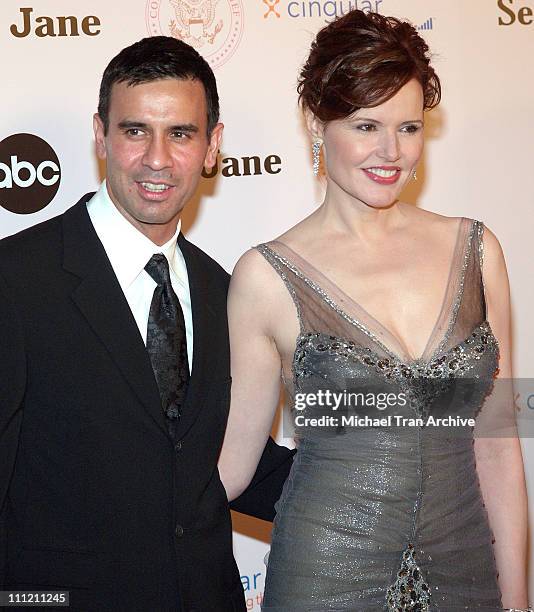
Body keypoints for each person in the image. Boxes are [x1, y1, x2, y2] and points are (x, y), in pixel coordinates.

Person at [218, 10, 529, 610]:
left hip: (465, 570)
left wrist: (516, 600)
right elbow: (234, 464)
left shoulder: (476, 250)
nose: (391, 152)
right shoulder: (265, 277)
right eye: (366, 126)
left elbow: (498, 443)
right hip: (323, 575)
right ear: (317, 123)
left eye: (408, 127)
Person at [0, 36, 294, 611]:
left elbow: (224, 456)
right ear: (100, 135)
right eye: (135, 130)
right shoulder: (17, 282)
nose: (157, 159)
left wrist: (373, 494)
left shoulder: (226, 291)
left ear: (213, 146)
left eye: (180, 133)